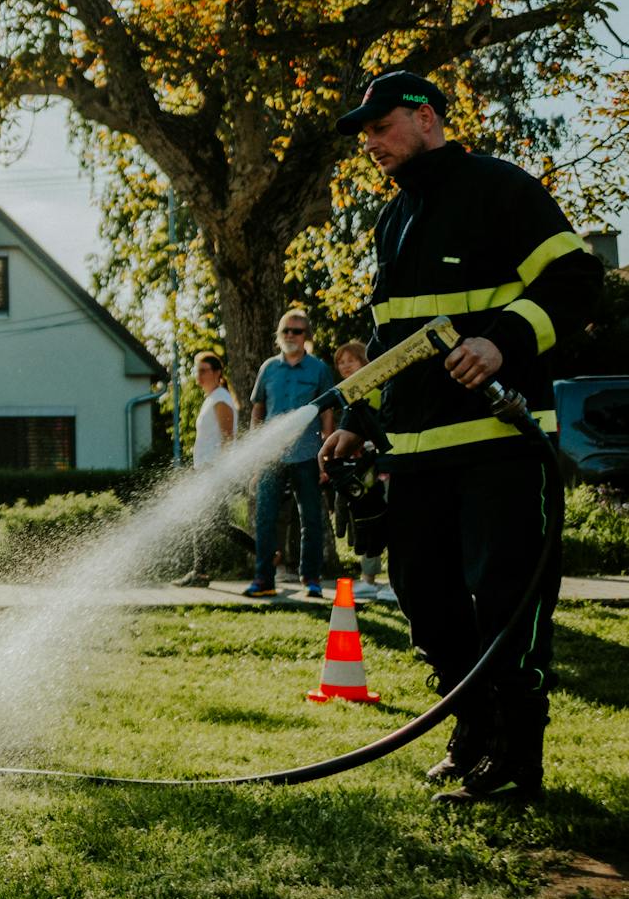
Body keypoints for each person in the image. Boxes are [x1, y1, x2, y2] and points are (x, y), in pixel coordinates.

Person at [320, 70, 601, 803]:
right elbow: (394, 340)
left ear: (427, 119)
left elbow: (577, 281)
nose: (371, 144)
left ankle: (515, 757)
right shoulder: (392, 222)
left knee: (506, 600)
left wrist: (504, 341)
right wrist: (357, 419)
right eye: (366, 135)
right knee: (429, 604)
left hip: (501, 449)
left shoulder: (501, 191)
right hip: (415, 458)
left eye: (380, 127)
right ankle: (472, 732)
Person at [243, 309, 336, 599]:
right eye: (286, 331)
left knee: (310, 518)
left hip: (307, 454)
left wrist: (326, 453)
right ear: (279, 336)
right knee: (266, 518)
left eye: (297, 331)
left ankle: (311, 580)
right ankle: (263, 578)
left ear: (306, 335)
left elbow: (328, 413)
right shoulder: (269, 368)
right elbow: (258, 410)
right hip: (271, 456)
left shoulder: (318, 369)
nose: (291, 336)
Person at [329, 341, 395, 605]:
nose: (345, 365)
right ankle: (368, 581)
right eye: (340, 362)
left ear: (366, 362)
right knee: (367, 523)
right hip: (365, 472)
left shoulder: (379, 389)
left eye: (351, 360)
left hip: (387, 469)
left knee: (390, 523)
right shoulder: (350, 394)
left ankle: (393, 582)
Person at [176, 351, 240, 586]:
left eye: (204, 370)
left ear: (217, 373)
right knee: (211, 521)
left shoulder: (221, 399)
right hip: (204, 469)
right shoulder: (212, 398)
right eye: (197, 370)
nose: (199, 375)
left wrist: (218, 472)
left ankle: (200, 572)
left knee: (210, 520)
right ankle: (199, 572)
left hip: (213, 470)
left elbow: (228, 438)